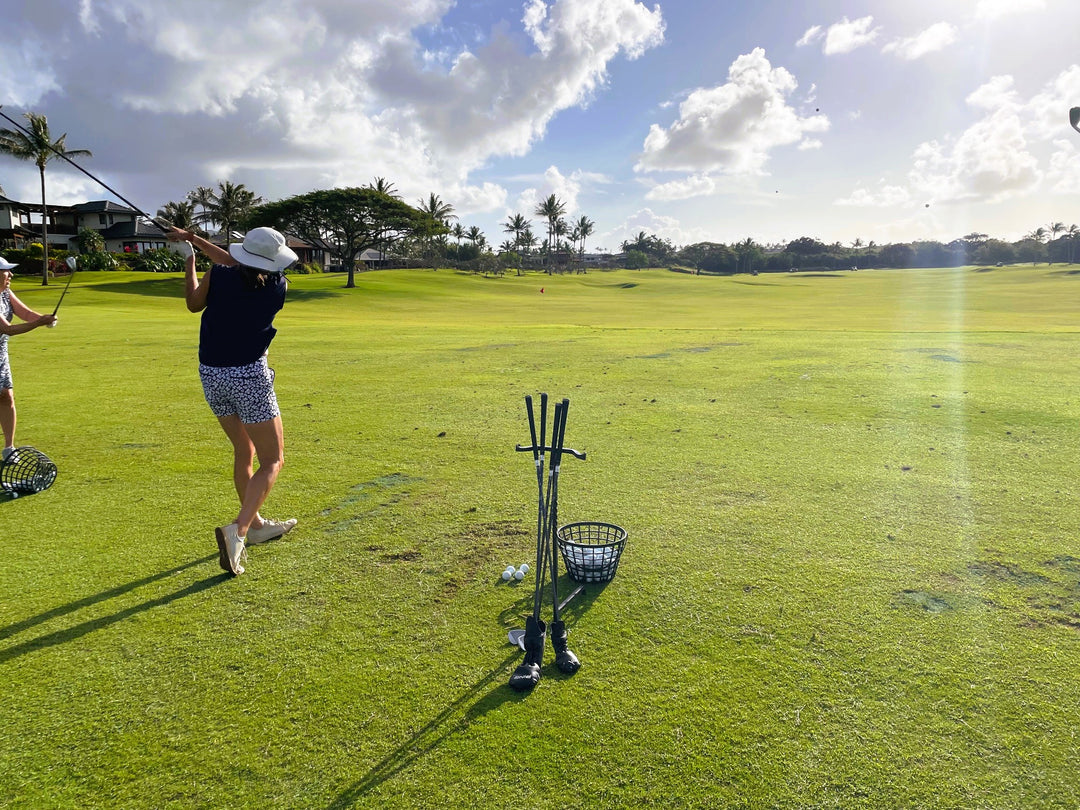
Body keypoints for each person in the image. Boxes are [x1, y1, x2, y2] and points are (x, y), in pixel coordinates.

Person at [166, 226, 298, 575]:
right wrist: (195, 240)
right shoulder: (277, 286)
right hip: (250, 378)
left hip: (212, 375)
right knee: (273, 460)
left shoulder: (218, 275)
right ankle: (238, 531)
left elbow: (195, 303)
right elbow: (238, 264)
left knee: (245, 451)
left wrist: (191, 256)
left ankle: (255, 527)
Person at [0, 257, 57, 462]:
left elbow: (25, 313)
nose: (11, 275)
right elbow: (7, 329)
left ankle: (8, 448)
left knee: (6, 396)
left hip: (0, 352)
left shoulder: (5, 293)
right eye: (6, 271)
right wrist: (39, 323)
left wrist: (44, 319)